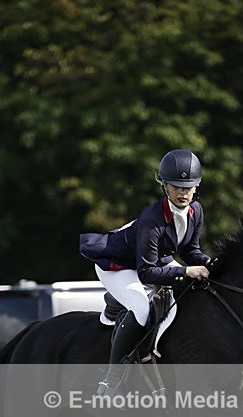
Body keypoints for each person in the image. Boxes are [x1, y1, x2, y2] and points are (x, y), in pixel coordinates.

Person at [79, 149, 212, 397]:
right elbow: (147, 273)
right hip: (119, 265)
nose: (183, 192)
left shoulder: (196, 211)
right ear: (164, 186)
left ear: (196, 187)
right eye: (176, 186)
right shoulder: (153, 220)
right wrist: (186, 270)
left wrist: (209, 263)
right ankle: (111, 381)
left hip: (154, 260)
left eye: (188, 187)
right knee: (141, 309)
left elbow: (190, 250)